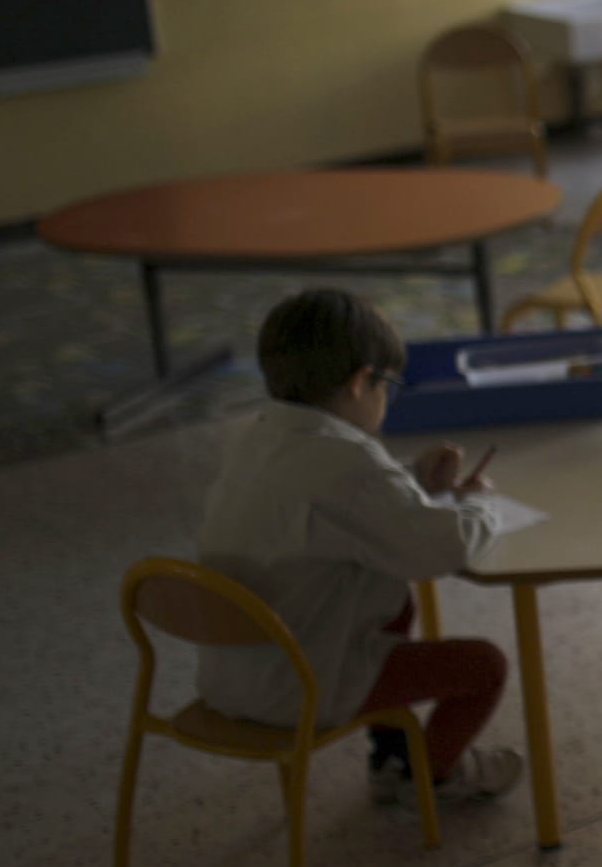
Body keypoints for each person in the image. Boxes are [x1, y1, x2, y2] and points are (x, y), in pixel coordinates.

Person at [197, 289, 523, 805]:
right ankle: (433, 775)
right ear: (358, 382)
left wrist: (415, 479)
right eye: (386, 386)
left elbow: (344, 510)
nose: (387, 400)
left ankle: (391, 751)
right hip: (301, 681)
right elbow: (440, 550)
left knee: (394, 602)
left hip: (236, 672)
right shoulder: (347, 463)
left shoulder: (257, 438)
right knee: (484, 667)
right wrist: (481, 505)